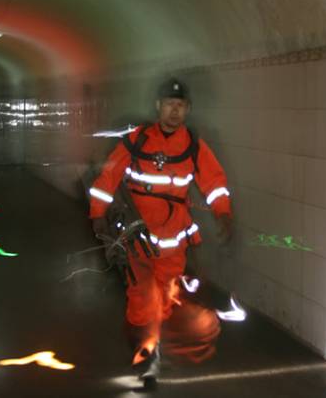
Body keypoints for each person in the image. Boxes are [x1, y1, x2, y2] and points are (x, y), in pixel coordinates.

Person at [88, 77, 232, 381]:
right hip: (138, 236)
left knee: (165, 296)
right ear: (158, 106)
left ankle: (151, 342)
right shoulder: (137, 140)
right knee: (141, 295)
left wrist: (223, 213)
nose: (174, 111)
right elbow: (108, 179)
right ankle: (145, 351)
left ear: (187, 109)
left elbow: (214, 182)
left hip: (173, 240)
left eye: (180, 105)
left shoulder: (193, 146)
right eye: (169, 104)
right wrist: (97, 214)